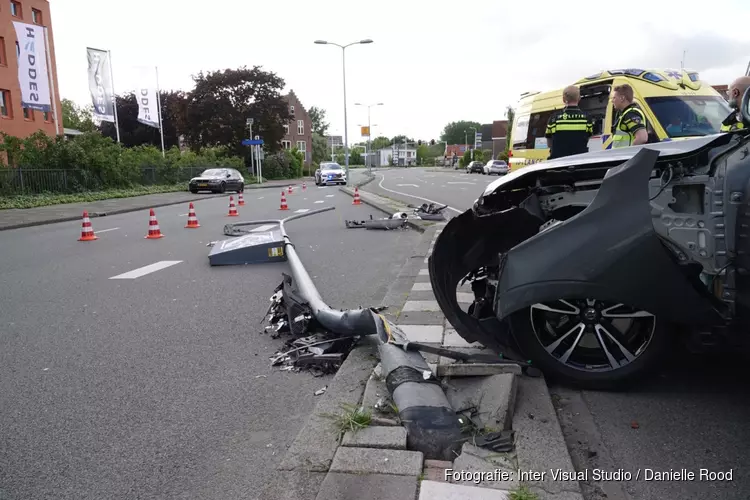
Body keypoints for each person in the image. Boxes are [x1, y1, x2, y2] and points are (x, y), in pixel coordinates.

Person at [544, 85, 593, 159]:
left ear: (563, 99)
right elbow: (587, 138)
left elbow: (549, 144)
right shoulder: (587, 119)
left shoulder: (554, 119)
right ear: (579, 99)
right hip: (580, 162)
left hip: (558, 163)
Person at [610, 83, 648, 148]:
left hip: (626, 157)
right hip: (621, 157)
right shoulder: (625, 113)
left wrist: (629, 153)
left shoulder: (631, 114)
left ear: (622, 98)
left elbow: (642, 138)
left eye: (614, 98)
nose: (612, 101)